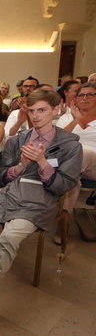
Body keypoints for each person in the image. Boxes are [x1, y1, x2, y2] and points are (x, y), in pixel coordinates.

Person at [0, 90, 82, 336]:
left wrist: (41, 163)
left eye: (42, 110)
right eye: (31, 111)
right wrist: (20, 165)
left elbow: (64, 186)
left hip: (40, 200)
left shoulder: (70, 145)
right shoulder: (17, 140)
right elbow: (1, 175)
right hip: (10, 193)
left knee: (8, 239)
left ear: (55, 110)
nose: (36, 116)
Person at [54, 82, 96, 243]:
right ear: (75, 99)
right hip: (72, 165)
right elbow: (57, 141)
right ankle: (64, 219)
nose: (85, 98)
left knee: (80, 152)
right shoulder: (66, 117)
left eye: (91, 94)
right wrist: (75, 120)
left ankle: (61, 217)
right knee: (73, 177)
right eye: (81, 95)